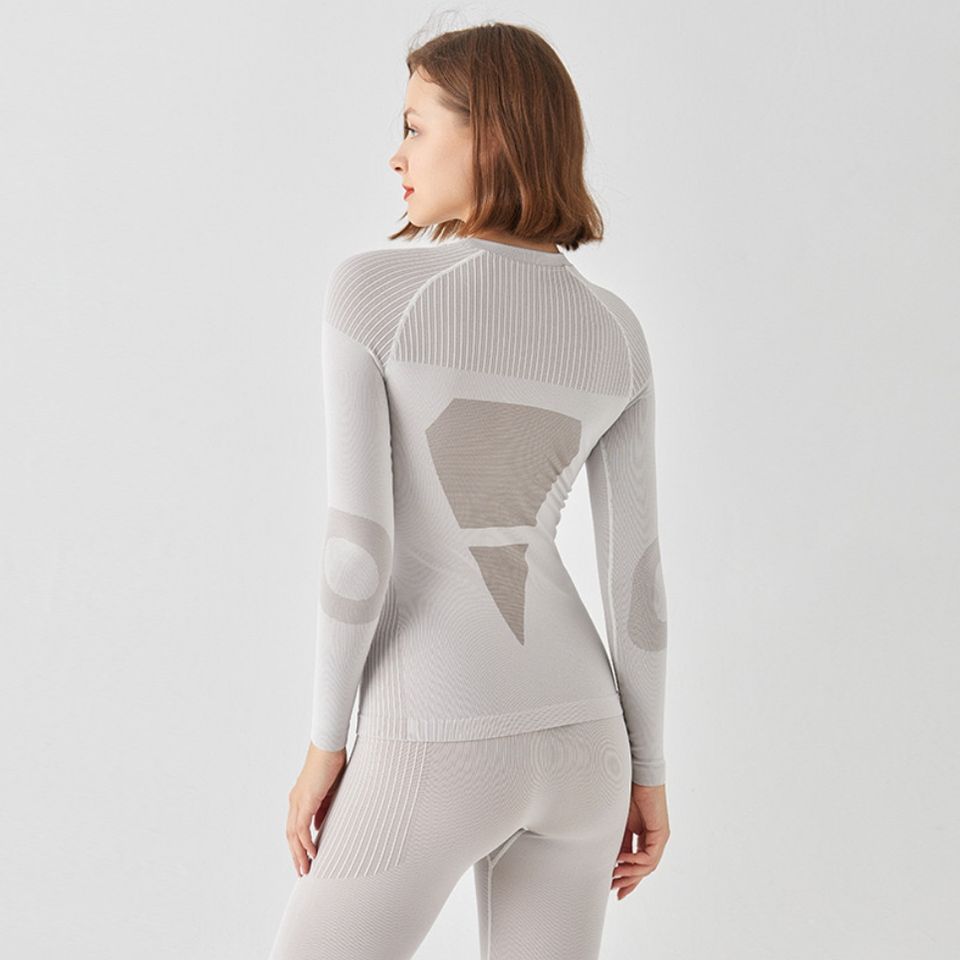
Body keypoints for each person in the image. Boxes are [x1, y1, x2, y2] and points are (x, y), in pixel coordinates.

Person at [268, 21, 670, 960]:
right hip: (587, 744)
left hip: (436, 727)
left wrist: (327, 745)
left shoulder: (373, 293)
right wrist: (648, 770)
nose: (396, 155)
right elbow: (638, 585)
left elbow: (358, 552)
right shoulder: (617, 330)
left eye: (415, 127)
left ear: (488, 135)